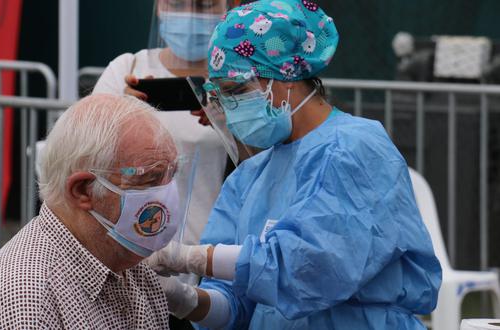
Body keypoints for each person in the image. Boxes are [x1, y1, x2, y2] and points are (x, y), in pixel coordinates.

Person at [146, 1, 443, 329]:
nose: (229, 107)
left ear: (284, 78)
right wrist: (183, 299)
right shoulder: (250, 176)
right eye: (221, 96)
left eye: (236, 91)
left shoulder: (355, 149)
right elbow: (235, 305)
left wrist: (191, 258)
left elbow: (310, 268)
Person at [0, 94, 193, 329]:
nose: (166, 193)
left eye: (172, 174)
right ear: (83, 190)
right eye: (150, 178)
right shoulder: (29, 303)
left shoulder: (125, 262)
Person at [93, 0, 229, 252]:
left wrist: (228, 125)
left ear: (229, 6)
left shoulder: (239, 82)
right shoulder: (126, 68)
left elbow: (263, 159)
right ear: (158, 7)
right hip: (128, 245)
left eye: (204, 5)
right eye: (176, 4)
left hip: (211, 250)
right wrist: (119, 113)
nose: (189, 17)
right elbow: (86, 152)